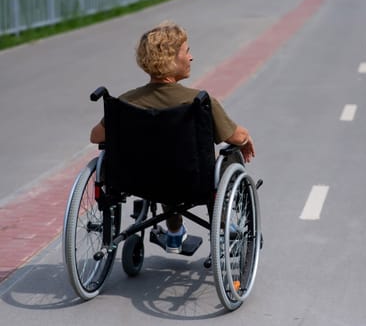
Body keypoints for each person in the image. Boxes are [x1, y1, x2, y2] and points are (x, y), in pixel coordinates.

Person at [90, 21, 255, 254]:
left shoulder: (125, 103)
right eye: (187, 52)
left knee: (162, 164)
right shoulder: (198, 102)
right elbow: (236, 136)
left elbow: (95, 136)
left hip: (135, 181)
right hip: (190, 182)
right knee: (228, 158)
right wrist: (247, 140)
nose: (191, 58)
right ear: (170, 60)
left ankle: (175, 234)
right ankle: (223, 223)